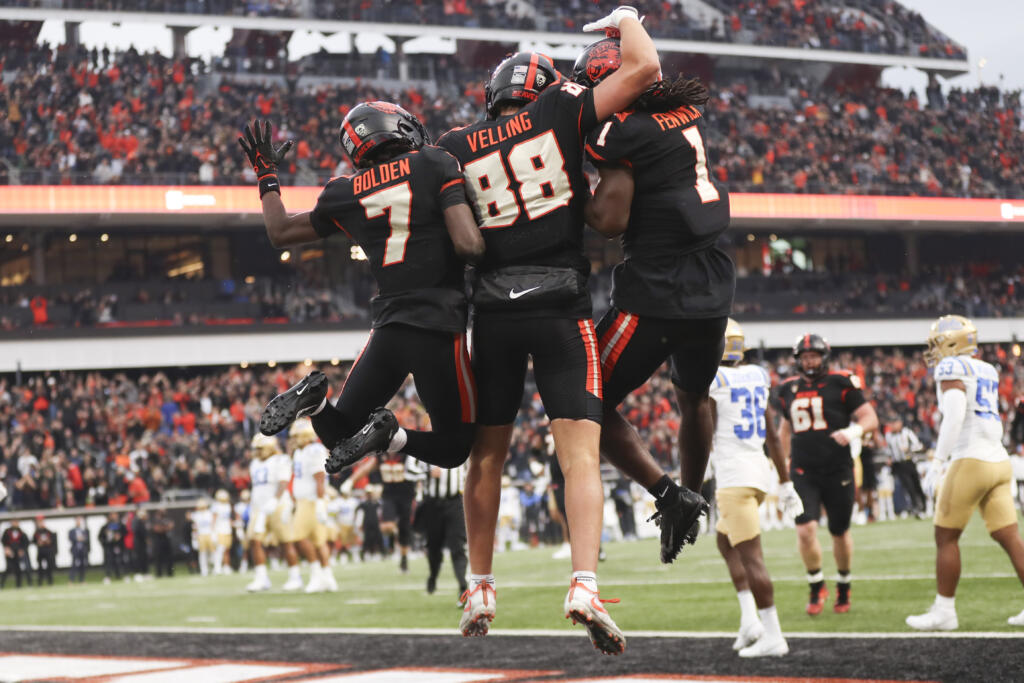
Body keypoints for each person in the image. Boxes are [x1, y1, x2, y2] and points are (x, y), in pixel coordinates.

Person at [436, 6, 661, 655]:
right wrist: (626, 20)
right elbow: (645, 68)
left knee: (487, 455)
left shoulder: (454, 145)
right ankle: (583, 583)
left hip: (494, 314)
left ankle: (479, 584)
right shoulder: (563, 106)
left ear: (494, 97)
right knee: (579, 456)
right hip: (560, 304)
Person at [239, 103, 484, 474]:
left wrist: (266, 175)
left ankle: (316, 402)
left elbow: (281, 232)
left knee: (340, 436)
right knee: (454, 447)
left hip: (388, 329)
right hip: (438, 323)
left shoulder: (345, 191)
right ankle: (391, 437)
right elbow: (469, 246)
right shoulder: (435, 163)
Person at [574, 34, 732, 565]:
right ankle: (693, 492)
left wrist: (567, 192)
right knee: (693, 397)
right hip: (712, 285)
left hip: (657, 290)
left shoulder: (621, 132)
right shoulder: (682, 113)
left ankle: (671, 496)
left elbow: (609, 220)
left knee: (580, 399)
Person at [906, 316, 1024, 630]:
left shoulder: (950, 368)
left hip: (970, 458)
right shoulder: (986, 368)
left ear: (953, 342)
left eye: (937, 342)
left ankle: (944, 611)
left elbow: (956, 414)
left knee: (945, 536)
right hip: (998, 459)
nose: (933, 349)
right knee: (1009, 536)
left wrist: (937, 462)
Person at [708, 320, 803, 657]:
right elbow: (773, 435)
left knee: (752, 558)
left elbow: (704, 433)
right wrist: (785, 481)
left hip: (735, 479)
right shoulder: (757, 375)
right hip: (758, 474)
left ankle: (773, 634)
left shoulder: (714, 380)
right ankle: (750, 619)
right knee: (724, 540)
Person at [776, 334, 879, 615]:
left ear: (824, 357)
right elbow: (785, 430)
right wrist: (781, 463)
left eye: (814, 356)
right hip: (802, 469)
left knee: (839, 531)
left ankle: (844, 584)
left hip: (838, 468)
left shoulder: (841, 383)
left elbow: (870, 417)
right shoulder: (787, 389)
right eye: (805, 357)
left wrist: (854, 430)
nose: (810, 361)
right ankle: (815, 584)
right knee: (805, 529)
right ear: (798, 360)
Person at [346, 452, 424, 574]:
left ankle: (403, 559)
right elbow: (366, 468)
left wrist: (420, 489)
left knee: (405, 530)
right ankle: (395, 533)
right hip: (389, 495)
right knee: (386, 527)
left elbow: (418, 472)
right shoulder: (381, 456)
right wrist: (351, 481)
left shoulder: (406, 455)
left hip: (407, 496)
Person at [286, 419, 338, 594]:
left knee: (302, 538)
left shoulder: (313, 450)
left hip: (312, 501)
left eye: (296, 436)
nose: (293, 440)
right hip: (304, 501)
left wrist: (320, 503)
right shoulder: (300, 452)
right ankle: (327, 576)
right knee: (317, 539)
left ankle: (318, 575)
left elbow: (319, 478)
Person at [246, 433, 295, 592]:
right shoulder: (254, 463)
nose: (257, 452)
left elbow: (283, 482)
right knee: (254, 541)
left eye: (260, 449)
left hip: (277, 505)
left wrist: (275, 500)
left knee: (285, 541)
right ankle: (261, 578)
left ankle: (295, 576)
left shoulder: (280, 460)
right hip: (259, 508)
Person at [418, 464, 469, 603]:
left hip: (455, 502)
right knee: (434, 547)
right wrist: (427, 472)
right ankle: (433, 576)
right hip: (433, 504)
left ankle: (463, 586)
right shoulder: (426, 446)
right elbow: (410, 470)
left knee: (458, 546)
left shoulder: (463, 447)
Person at [886, 417, 927, 517]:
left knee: (916, 484)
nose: (893, 426)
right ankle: (915, 507)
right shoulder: (889, 436)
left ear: (900, 423)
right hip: (898, 464)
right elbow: (889, 450)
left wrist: (909, 448)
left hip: (909, 462)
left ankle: (924, 506)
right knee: (908, 486)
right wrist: (890, 458)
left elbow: (919, 446)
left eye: (894, 423)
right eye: (891, 424)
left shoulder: (907, 433)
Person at [1, 520, 31, 588]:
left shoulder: (21, 531)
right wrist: (6, 549)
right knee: (8, 568)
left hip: (18, 553)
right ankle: (1, 584)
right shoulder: (7, 531)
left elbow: (26, 542)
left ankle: (18, 585)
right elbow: (3, 541)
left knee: (18, 569)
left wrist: (22, 550)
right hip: (10, 553)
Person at [98, 513, 126, 584]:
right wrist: (104, 543)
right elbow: (100, 537)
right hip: (108, 547)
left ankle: (120, 575)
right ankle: (108, 576)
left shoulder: (119, 525)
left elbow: (124, 532)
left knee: (119, 561)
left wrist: (120, 536)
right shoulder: (105, 527)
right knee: (108, 562)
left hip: (117, 546)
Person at [212, 489, 233, 575]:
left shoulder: (228, 505)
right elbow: (213, 519)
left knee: (226, 549)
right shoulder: (216, 506)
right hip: (219, 529)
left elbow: (228, 518)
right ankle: (217, 567)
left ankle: (226, 566)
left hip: (227, 529)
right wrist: (213, 531)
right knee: (219, 549)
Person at [32, 515, 57, 586]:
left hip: (48, 552)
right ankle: (40, 583)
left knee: (49, 567)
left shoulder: (48, 531)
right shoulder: (36, 532)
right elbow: (33, 541)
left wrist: (48, 542)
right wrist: (38, 543)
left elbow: (52, 540)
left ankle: (50, 582)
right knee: (40, 568)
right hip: (40, 552)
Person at [192, 499, 214, 577]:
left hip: (209, 534)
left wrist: (214, 534)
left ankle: (212, 567)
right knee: (202, 553)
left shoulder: (209, 513)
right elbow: (195, 527)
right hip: (201, 535)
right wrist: (194, 538)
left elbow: (212, 525)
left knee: (211, 554)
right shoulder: (196, 515)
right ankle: (204, 570)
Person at [151, 510, 175, 578]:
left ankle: (170, 573)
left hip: (167, 541)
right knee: (158, 558)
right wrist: (165, 528)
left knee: (169, 558)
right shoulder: (155, 520)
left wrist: (164, 528)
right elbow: (157, 529)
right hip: (158, 541)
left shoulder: (167, 519)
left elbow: (171, 526)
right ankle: (159, 574)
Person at [68, 516, 90, 583]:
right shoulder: (72, 531)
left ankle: (82, 580)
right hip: (75, 550)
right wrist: (77, 539)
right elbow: (71, 538)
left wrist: (82, 539)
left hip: (82, 550)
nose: (78, 522)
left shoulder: (84, 530)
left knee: (83, 565)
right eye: (77, 520)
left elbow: (87, 539)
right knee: (74, 565)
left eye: (79, 520)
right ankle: (71, 580)